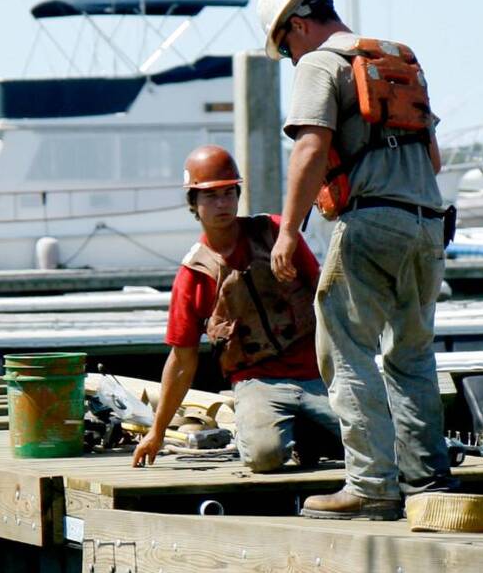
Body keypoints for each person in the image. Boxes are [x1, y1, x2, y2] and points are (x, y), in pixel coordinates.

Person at [255, 0, 454, 520]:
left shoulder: (322, 63)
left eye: (287, 47)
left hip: (371, 223)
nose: (293, 60)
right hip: (429, 224)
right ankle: (428, 481)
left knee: (343, 345)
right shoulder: (397, 60)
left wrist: (289, 230)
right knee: (411, 352)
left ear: (298, 25)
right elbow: (434, 161)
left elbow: (310, 148)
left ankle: (370, 485)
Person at [131, 145, 341, 472]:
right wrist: (156, 434)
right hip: (257, 381)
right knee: (264, 456)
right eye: (211, 196)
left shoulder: (276, 234)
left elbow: (325, 297)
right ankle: (279, 429)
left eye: (229, 193)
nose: (222, 204)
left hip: (317, 373)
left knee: (373, 442)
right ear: (193, 204)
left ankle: (310, 432)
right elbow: (182, 360)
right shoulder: (194, 274)